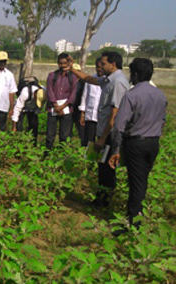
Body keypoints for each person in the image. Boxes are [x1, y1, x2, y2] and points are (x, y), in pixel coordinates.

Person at [109, 58, 167, 235]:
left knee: (136, 182)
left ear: (134, 74)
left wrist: (116, 149)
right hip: (153, 142)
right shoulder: (160, 94)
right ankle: (136, 215)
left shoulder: (132, 95)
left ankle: (133, 223)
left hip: (136, 143)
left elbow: (119, 126)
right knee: (142, 180)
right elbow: (162, 120)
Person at [67, 51, 129, 207]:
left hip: (110, 133)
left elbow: (115, 114)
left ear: (112, 64)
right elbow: (91, 80)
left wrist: (102, 139)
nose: (100, 66)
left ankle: (105, 201)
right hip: (103, 130)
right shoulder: (109, 80)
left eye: (103, 63)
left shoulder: (118, 82)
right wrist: (72, 69)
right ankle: (100, 197)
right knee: (101, 167)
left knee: (108, 168)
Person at [45, 53, 77, 150]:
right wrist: (56, 106)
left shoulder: (72, 77)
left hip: (66, 109)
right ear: (57, 63)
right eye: (60, 63)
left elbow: (72, 94)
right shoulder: (52, 76)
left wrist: (62, 107)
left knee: (65, 135)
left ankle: (62, 154)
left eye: (64, 63)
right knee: (50, 135)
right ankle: (48, 153)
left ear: (68, 63)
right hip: (53, 109)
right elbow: (50, 91)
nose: (62, 66)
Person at [11, 77, 45, 146]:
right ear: (35, 94)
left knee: (34, 125)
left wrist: (36, 112)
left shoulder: (44, 92)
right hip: (22, 107)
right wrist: (14, 126)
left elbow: (41, 105)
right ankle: (18, 143)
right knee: (19, 126)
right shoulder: (25, 93)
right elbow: (17, 109)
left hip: (33, 108)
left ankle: (33, 145)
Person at [79, 58, 103, 146]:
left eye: (101, 67)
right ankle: (89, 158)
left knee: (101, 139)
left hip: (101, 116)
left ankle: (100, 158)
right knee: (89, 139)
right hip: (90, 115)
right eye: (98, 67)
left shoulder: (107, 81)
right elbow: (85, 96)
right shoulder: (90, 80)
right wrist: (82, 113)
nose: (99, 69)